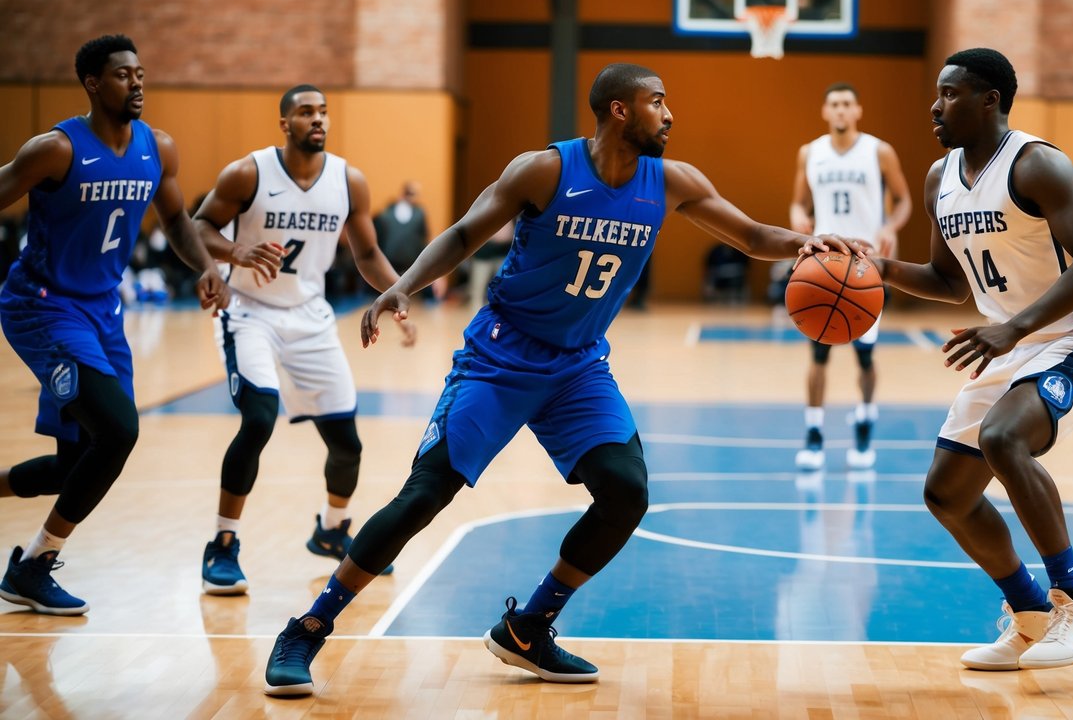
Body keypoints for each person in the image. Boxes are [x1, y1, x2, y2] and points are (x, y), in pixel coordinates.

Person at [260, 62, 857, 696]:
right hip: (500, 358)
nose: (670, 114)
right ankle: (307, 628)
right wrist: (401, 287)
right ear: (620, 111)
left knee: (626, 493)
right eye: (658, 102)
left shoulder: (672, 181)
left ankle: (529, 627)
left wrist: (806, 242)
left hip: (577, 367)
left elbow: (753, 235)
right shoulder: (545, 169)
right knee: (424, 497)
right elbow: (465, 232)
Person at [872, 48, 1073, 670]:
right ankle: (1031, 614)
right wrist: (873, 269)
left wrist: (1013, 328)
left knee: (1003, 438)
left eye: (951, 93)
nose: (936, 105)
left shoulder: (1037, 164)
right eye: (938, 92)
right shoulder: (940, 178)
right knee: (946, 494)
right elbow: (946, 279)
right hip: (1010, 341)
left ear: (990, 100)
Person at [0, 34, 228, 614]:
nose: (137, 83)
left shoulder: (158, 148)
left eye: (141, 73)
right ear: (93, 84)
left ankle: (26, 557)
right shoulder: (54, 149)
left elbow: (177, 220)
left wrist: (204, 267)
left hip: (104, 313)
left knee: (75, 466)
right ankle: (34, 565)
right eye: (124, 75)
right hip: (44, 306)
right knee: (120, 431)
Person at [191, 85, 415, 596]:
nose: (317, 119)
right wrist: (235, 251)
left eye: (323, 112)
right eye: (305, 112)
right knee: (258, 417)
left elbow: (367, 253)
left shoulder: (347, 180)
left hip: (310, 317)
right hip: (249, 313)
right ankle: (223, 544)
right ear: (285, 123)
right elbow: (197, 227)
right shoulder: (248, 172)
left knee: (347, 444)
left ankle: (333, 531)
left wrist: (399, 295)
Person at [789, 82, 911, 471]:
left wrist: (891, 226)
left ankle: (864, 417)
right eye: (834, 105)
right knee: (818, 351)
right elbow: (797, 202)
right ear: (825, 112)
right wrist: (797, 219)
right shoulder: (810, 152)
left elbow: (905, 198)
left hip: (865, 265)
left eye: (846, 104)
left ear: (858, 110)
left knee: (865, 355)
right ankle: (813, 432)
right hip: (824, 263)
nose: (840, 111)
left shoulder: (879, 151)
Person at [373, 181, 429, 276]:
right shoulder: (386, 214)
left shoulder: (419, 214)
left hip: (410, 265)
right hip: (389, 265)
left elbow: (423, 239)